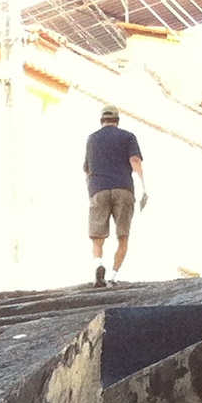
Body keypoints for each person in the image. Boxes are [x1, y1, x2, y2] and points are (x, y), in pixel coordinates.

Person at [84, 106, 146, 283]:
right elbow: (135, 161)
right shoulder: (128, 137)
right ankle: (113, 276)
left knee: (97, 235)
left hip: (98, 188)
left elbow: (87, 170)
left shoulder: (92, 139)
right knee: (123, 235)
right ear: (117, 120)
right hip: (123, 188)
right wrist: (143, 187)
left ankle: (98, 264)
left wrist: (91, 191)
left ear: (101, 119)